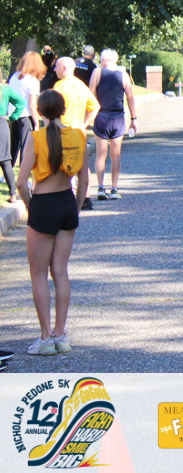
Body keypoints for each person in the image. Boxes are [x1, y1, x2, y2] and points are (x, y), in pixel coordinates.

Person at [16, 89, 88, 355]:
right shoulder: (78, 135)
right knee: (60, 271)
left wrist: (31, 208)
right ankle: (61, 335)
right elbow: (85, 181)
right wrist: (75, 209)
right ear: (63, 109)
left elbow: (21, 183)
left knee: (38, 273)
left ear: (39, 111)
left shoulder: (36, 138)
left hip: (43, 204)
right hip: (67, 202)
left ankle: (45, 337)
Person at [89, 49, 138, 201]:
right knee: (115, 155)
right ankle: (114, 188)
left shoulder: (97, 73)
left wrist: (91, 114)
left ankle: (101, 187)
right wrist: (134, 119)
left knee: (101, 154)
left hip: (102, 116)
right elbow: (130, 97)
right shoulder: (123, 75)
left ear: (104, 60)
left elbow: (90, 94)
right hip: (118, 117)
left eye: (101, 60)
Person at [52, 57, 100, 210]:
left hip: (63, 130)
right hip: (79, 130)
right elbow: (95, 107)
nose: (54, 69)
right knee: (82, 165)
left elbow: (54, 108)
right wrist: (85, 123)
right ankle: (85, 198)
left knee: (63, 166)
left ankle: (66, 196)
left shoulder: (59, 86)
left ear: (64, 68)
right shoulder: (81, 85)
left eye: (57, 67)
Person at [8, 51, 44, 167]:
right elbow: (32, 104)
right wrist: (36, 123)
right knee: (26, 146)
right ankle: (24, 171)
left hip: (13, 114)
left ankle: (7, 171)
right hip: (26, 116)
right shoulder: (32, 81)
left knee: (13, 145)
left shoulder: (14, 77)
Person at [0, 68, 26, 202]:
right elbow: (21, 102)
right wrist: (12, 118)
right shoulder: (5, 89)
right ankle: (13, 194)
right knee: (5, 160)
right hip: (2, 124)